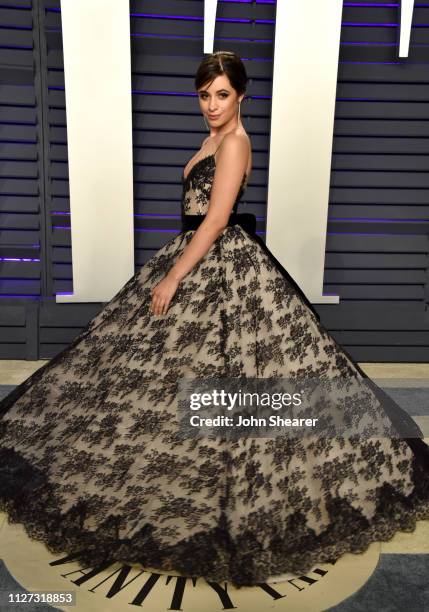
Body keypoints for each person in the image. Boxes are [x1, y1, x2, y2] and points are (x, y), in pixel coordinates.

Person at [0, 51, 429, 588]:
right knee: (140, 371)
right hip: (194, 252)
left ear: (241, 97)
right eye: (204, 95)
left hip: (216, 263)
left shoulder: (236, 144)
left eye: (221, 94)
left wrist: (174, 276)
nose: (211, 105)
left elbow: (218, 219)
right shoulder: (211, 140)